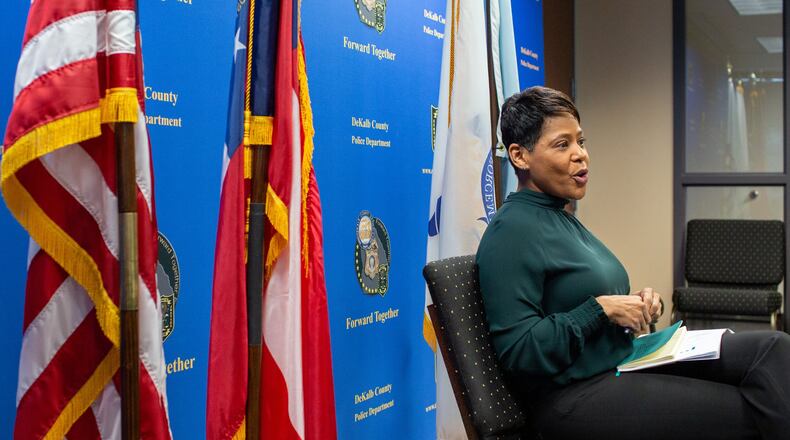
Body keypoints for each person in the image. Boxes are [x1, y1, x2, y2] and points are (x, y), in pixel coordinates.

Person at [476, 86, 790, 440]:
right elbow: (520, 353)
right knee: (753, 408)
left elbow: (582, 299)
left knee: (773, 349)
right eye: (562, 145)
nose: (581, 156)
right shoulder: (511, 232)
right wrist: (599, 310)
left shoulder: (558, 215)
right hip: (574, 397)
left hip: (622, 361)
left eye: (581, 141)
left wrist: (636, 304)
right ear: (519, 155)